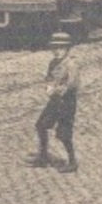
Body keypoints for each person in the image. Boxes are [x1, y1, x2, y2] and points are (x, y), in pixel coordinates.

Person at [31, 31, 81, 173]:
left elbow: (72, 84)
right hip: (55, 101)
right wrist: (48, 87)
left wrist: (57, 89)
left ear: (67, 49)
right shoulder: (53, 63)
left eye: (61, 48)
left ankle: (72, 161)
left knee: (64, 133)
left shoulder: (71, 64)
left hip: (67, 101)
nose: (57, 51)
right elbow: (48, 78)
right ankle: (43, 156)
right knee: (41, 125)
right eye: (55, 48)